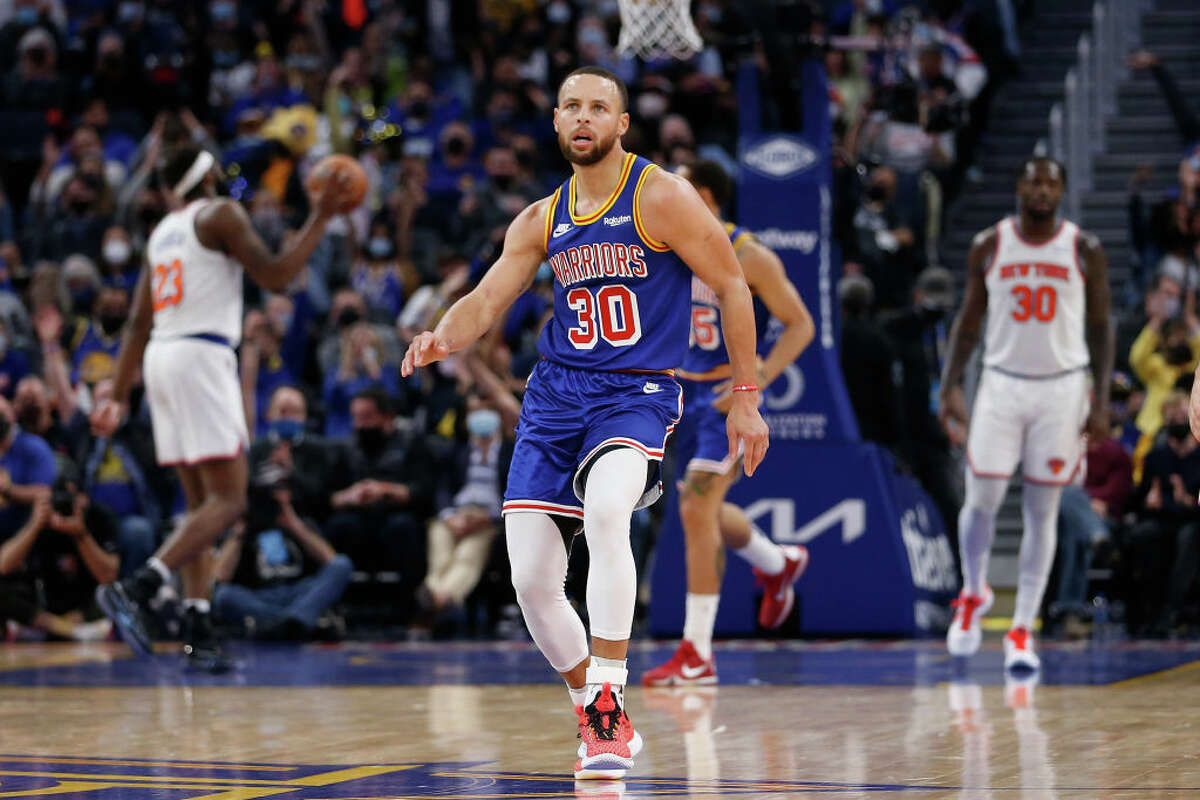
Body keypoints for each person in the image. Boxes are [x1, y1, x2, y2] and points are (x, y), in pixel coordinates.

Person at [401, 66, 768, 780]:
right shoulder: (540, 217)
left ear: (622, 124)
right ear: (557, 121)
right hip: (554, 397)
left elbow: (729, 282)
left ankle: (607, 700)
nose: (583, 117)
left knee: (607, 513)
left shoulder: (661, 195)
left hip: (635, 393)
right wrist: (442, 336)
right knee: (533, 582)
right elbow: (487, 297)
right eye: (571, 106)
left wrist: (747, 393)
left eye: (599, 107)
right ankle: (597, 711)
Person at [90, 145, 349, 671]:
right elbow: (276, 276)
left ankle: (198, 628)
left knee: (200, 510)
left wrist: (117, 395)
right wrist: (320, 216)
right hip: (201, 357)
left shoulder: (164, 230)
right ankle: (140, 586)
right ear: (207, 175)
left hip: (163, 357)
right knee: (230, 502)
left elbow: (138, 323)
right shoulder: (221, 213)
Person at [641, 160, 814, 687]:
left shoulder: (748, 254)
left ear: (707, 198)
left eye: (679, 187)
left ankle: (697, 653)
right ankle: (776, 561)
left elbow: (800, 324)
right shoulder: (662, 248)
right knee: (704, 513)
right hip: (678, 392)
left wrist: (758, 376)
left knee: (695, 507)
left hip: (724, 399)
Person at [938, 156, 1112, 672]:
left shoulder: (1084, 248)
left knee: (1043, 509)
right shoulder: (990, 244)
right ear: (1020, 186)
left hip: (1061, 388)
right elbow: (968, 322)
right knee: (983, 494)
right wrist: (949, 386)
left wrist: (1099, 400)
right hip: (1001, 382)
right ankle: (973, 593)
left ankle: (1022, 631)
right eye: (1033, 180)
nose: (1041, 190)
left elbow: (1102, 328)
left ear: (1060, 190)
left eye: (1050, 182)